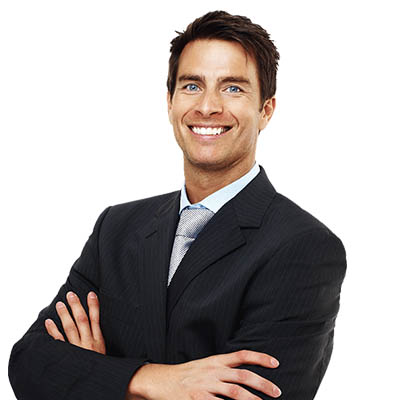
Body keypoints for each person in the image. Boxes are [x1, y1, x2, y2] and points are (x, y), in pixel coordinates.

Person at [8, 10, 347, 400]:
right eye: (191, 85)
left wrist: (97, 378)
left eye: (232, 88)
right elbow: (29, 363)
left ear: (266, 110)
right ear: (170, 102)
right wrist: (156, 381)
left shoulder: (304, 246)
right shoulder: (116, 228)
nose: (207, 106)